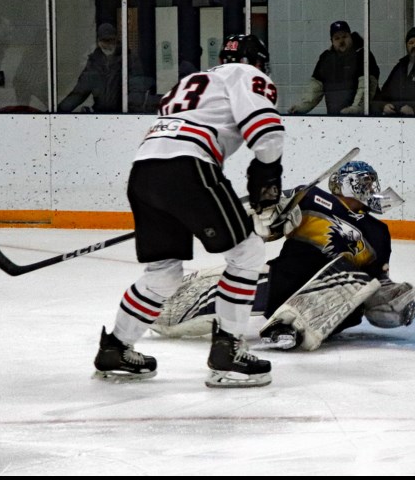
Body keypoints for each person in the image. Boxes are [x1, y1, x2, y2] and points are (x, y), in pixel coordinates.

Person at [93, 33, 286, 388]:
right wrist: (266, 175)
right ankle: (228, 352)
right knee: (248, 252)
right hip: (189, 166)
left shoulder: (193, 80)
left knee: (163, 275)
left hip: (145, 169)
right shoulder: (246, 74)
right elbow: (266, 133)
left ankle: (116, 348)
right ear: (256, 60)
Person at [151, 160, 415, 351]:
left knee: (357, 279)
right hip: (286, 279)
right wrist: (268, 215)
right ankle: (160, 310)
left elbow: (377, 282)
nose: (374, 188)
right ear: (349, 184)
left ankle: (289, 328)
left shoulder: (379, 232)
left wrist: (395, 298)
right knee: (207, 296)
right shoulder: (311, 198)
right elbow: (266, 228)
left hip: (334, 302)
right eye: (367, 181)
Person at [57, 23, 158, 114]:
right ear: (98, 41)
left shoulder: (129, 59)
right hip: (100, 114)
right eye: (103, 40)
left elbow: (137, 89)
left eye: (110, 40)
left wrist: (134, 113)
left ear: (116, 39)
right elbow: (80, 91)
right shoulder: (94, 63)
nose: (107, 44)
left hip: (124, 114)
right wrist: (59, 111)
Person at [288, 20, 380, 115]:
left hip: (364, 119)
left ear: (350, 37)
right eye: (337, 38)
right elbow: (315, 88)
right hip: (335, 118)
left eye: (344, 36)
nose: (341, 41)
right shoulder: (326, 59)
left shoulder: (362, 55)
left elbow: (367, 86)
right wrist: (302, 107)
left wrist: (357, 108)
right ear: (332, 41)